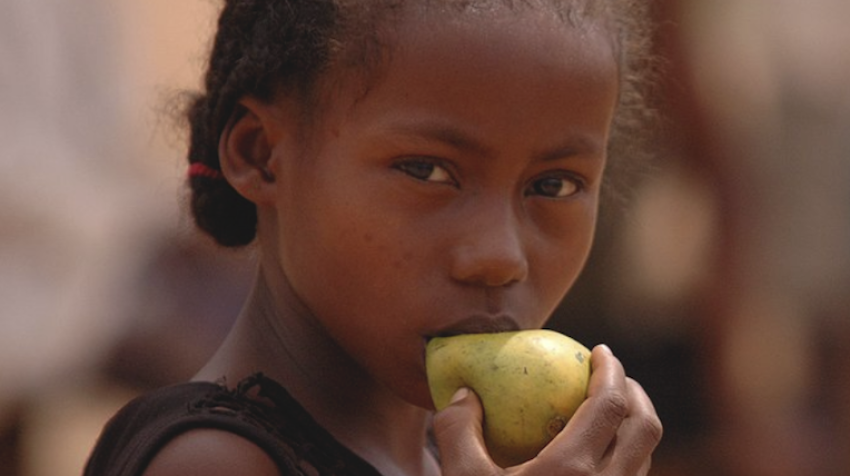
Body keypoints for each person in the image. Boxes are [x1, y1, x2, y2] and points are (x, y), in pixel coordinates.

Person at [84, 0, 662, 475]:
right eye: (427, 171)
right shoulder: (212, 463)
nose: (499, 256)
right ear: (261, 155)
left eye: (554, 184)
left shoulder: (453, 460)